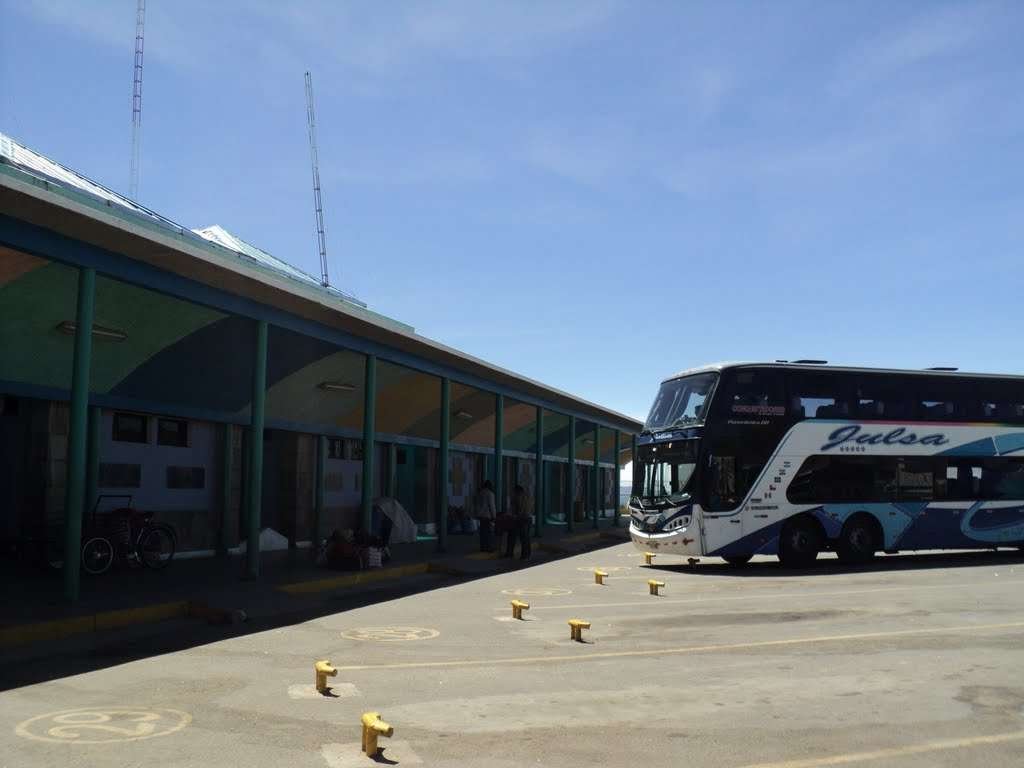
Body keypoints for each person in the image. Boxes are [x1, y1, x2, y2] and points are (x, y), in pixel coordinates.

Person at [506, 484, 533, 560]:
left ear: (517, 491)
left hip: (521, 519)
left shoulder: (518, 497)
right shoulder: (527, 497)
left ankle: (512, 553)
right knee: (526, 538)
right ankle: (527, 554)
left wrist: (515, 516)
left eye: (513, 491)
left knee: (516, 536)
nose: (512, 492)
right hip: (528, 518)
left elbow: (519, 509)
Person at [474, 480, 496, 552]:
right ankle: (488, 547)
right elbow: (491, 506)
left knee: (482, 532)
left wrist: (478, 514)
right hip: (487, 516)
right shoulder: (490, 494)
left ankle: (483, 547)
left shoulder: (480, 493)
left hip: (481, 515)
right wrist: (494, 516)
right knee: (489, 533)